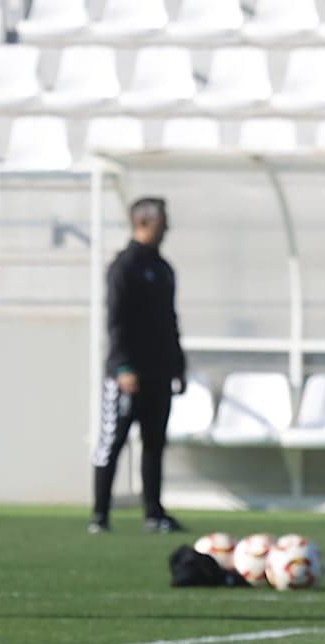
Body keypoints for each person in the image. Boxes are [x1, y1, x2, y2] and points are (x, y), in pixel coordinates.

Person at [90, 197, 186, 535]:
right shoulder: (124, 267)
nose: (168, 228)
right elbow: (116, 322)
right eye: (163, 221)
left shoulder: (163, 269)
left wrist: (178, 364)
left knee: (154, 443)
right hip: (128, 374)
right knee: (113, 441)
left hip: (159, 373)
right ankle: (100, 515)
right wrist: (123, 367)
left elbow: (170, 321)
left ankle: (153, 513)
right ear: (144, 222)